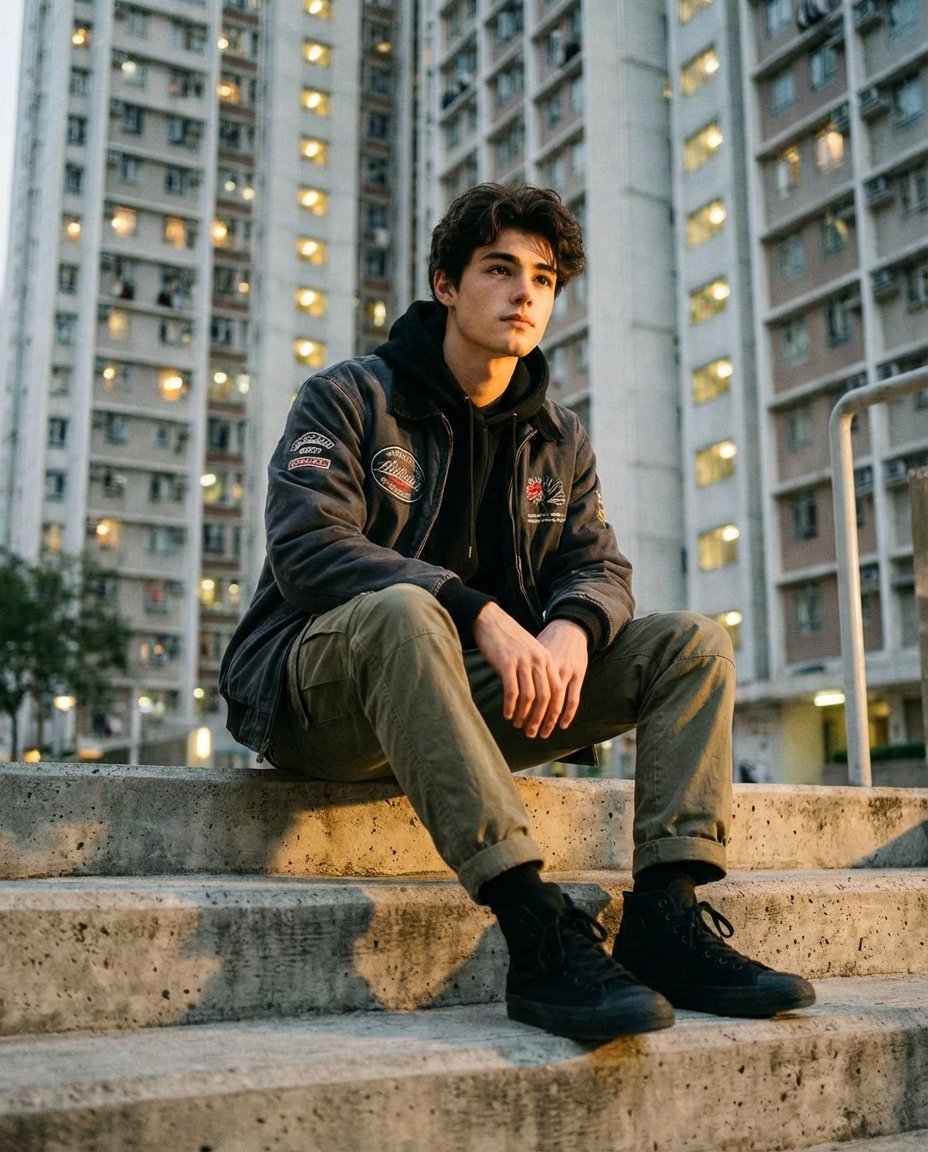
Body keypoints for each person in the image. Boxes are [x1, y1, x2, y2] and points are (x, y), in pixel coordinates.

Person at [219, 183, 815, 1041]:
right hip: (320, 703)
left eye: (543, 277)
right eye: (500, 269)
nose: (525, 292)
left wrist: (571, 626)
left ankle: (667, 921)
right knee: (403, 611)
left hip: (465, 704)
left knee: (691, 642)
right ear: (447, 285)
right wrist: (479, 611)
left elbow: (598, 565)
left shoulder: (558, 435)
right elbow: (308, 548)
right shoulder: (350, 398)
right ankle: (535, 929)